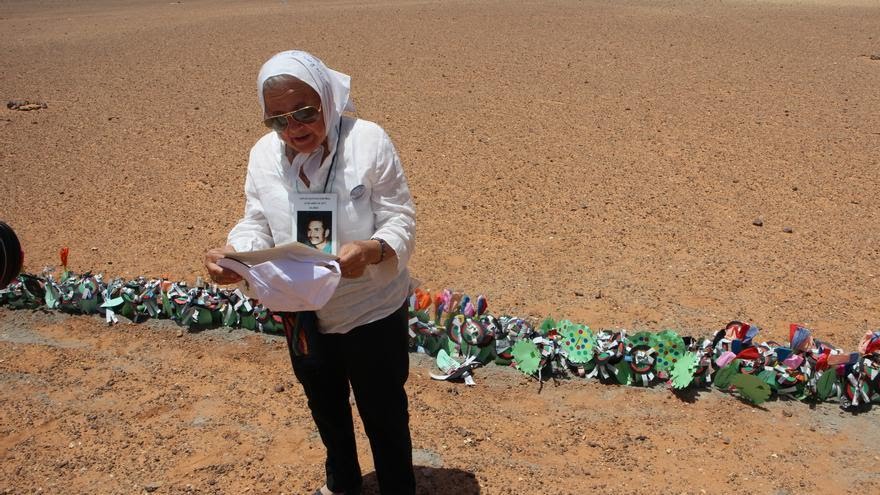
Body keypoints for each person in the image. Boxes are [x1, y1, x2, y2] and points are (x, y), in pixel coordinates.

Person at [204, 50, 416, 495]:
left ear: (326, 99)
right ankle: (342, 484)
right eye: (278, 119)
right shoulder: (263, 155)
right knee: (325, 403)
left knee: (383, 410)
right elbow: (256, 220)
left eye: (305, 112)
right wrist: (235, 255)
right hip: (300, 308)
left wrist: (373, 250)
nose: (294, 128)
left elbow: (399, 218)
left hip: (369, 306)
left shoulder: (368, 142)